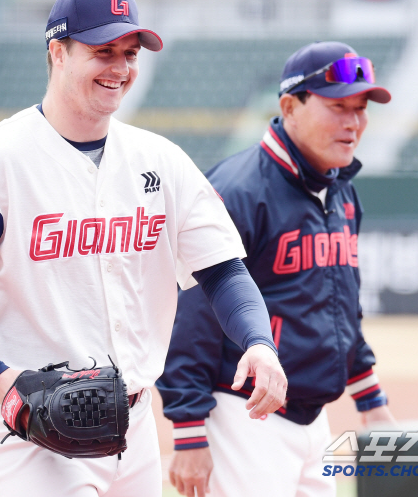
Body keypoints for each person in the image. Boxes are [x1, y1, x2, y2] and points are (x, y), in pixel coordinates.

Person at [0, 0, 287, 497]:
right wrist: (3, 383)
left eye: (129, 54)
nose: (119, 68)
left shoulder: (161, 161)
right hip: (26, 432)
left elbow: (223, 269)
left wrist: (259, 343)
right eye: (102, 51)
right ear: (57, 52)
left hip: (132, 426)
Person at [156, 41, 397, 497]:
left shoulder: (340, 189)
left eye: (361, 107)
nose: (354, 121)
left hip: (312, 417)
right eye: (338, 106)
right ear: (290, 106)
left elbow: (342, 310)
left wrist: (372, 402)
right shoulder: (237, 190)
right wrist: (189, 431)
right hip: (244, 415)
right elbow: (188, 318)